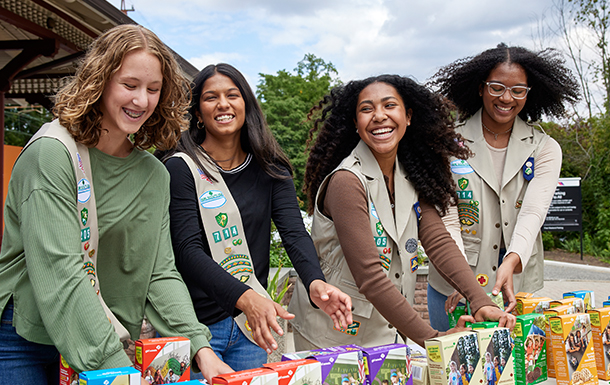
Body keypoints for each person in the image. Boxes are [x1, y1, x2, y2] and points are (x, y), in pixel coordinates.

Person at [0, 25, 232, 384]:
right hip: (26, 339)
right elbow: (61, 274)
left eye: (153, 89)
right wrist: (115, 369)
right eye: (129, 85)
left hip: (101, 336)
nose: (141, 100)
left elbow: (160, 272)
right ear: (100, 81)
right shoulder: (52, 154)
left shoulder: (153, 174)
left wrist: (201, 349)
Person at [288, 74, 515, 349]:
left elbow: (438, 241)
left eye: (389, 106)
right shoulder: (347, 182)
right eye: (366, 109)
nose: (379, 116)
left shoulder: (409, 176)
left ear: (408, 117)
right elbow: (370, 277)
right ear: (355, 124)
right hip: (331, 337)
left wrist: (479, 300)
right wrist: (432, 338)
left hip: (384, 333)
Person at [160, 63, 352, 372]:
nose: (223, 104)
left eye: (232, 95)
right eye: (211, 97)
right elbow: (186, 251)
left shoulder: (270, 167)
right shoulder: (181, 168)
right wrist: (246, 299)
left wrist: (316, 283)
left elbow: (293, 233)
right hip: (194, 327)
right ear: (197, 112)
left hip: (251, 327)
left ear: (246, 104)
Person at [427, 43, 580, 330]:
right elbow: (447, 216)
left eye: (518, 90)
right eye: (496, 87)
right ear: (480, 88)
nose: (506, 98)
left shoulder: (544, 148)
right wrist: (461, 277)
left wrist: (511, 262)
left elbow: (533, 212)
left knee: (515, 372)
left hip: (516, 288)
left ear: (529, 93)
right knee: (454, 373)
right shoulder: (446, 144)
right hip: (454, 283)